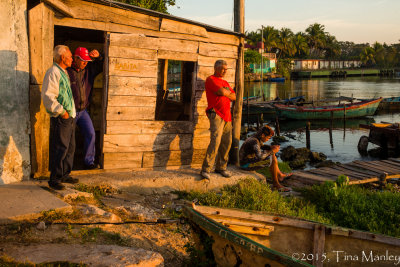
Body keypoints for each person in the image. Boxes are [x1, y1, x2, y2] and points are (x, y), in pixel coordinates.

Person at [42, 45, 79, 190]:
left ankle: (64, 174)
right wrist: (61, 111)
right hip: (61, 116)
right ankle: (55, 179)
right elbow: (48, 96)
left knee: (70, 147)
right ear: (62, 57)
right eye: (70, 56)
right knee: (60, 148)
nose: (71, 59)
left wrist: (70, 113)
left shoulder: (63, 72)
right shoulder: (53, 72)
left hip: (69, 116)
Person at [67, 47, 103, 169]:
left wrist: (98, 56)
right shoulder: (67, 71)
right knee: (69, 139)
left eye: (87, 60)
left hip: (83, 111)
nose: (85, 63)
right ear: (75, 58)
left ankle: (89, 162)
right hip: (70, 111)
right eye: (82, 60)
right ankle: (66, 166)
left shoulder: (89, 69)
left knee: (91, 133)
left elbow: (102, 65)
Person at [200, 60, 236, 180]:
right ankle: (206, 169)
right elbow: (221, 91)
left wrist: (226, 93)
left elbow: (234, 96)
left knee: (227, 142)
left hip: (227, 116)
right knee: (215, 141)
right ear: (216, 68)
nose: (225, 71)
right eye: (223, 69)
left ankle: (221, 167)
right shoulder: (211, 79)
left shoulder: (225, 82)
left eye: (226, 69)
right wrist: (226, 93)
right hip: (216, 113)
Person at [239, 125, 292, 192]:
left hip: (248, 162)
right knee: (270, 159)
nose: (268, 140)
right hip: (246, 165)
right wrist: (272, 151)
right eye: (268, 138)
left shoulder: (256, 138)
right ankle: (276, 184)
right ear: (263, 135)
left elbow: (262, 146)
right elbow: (260, 157)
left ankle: (280, 175)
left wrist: (271, 148)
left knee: (272, 155)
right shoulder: (254, 141)